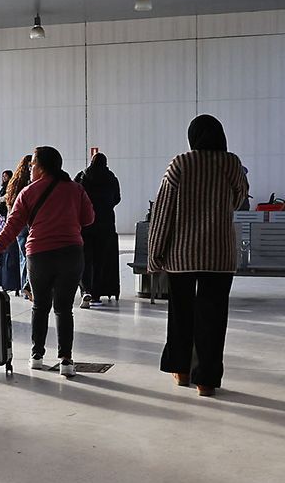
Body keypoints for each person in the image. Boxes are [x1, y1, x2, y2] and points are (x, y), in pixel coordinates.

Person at [147, 115, 249, 398]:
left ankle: (181, 372)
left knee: (181, 315)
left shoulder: (180, 163)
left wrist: (155, 255)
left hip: (182, 256)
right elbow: (239, 198)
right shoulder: (232, 163)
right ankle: (206, 381)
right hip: (220, 255)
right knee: (214, 318)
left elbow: (163, 212)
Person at [0, 146, 94, 378]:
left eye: (33, 164)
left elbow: (11, 226)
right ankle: (66, 360)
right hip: (71, 254)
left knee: (40, 306)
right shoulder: (76, 189)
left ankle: (37, 356)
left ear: (41, 167)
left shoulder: (28, 193)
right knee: (64, 309)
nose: (31, 168)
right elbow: (89, 218)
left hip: (40, 255)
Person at [76, 152, 122, 307]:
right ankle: (96, 294)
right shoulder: (111, 179)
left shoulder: (82, 177)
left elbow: (74, 197)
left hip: (85, 225)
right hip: (105, 224)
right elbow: (117, 198)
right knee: (100, 260)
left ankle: (85, 291)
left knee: (85, 259)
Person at [0, 155, 32, 295]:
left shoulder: (15, 183)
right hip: (29, 222)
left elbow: (8, 203)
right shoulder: (31, 184)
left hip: (17, 223)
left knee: (23, 256)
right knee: (30, 256)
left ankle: (25, 287)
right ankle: (28, 286)